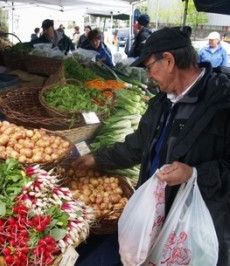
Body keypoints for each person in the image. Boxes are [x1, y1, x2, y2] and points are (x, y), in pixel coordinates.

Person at [73, 27, 230, 266]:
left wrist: (193, 174)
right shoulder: (161, 103)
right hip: (156, 216)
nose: (148, 76)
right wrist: (97, 158)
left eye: (149, 67)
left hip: (195, 226)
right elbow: (137, 146)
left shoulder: (221, 104)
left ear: (168, 60)